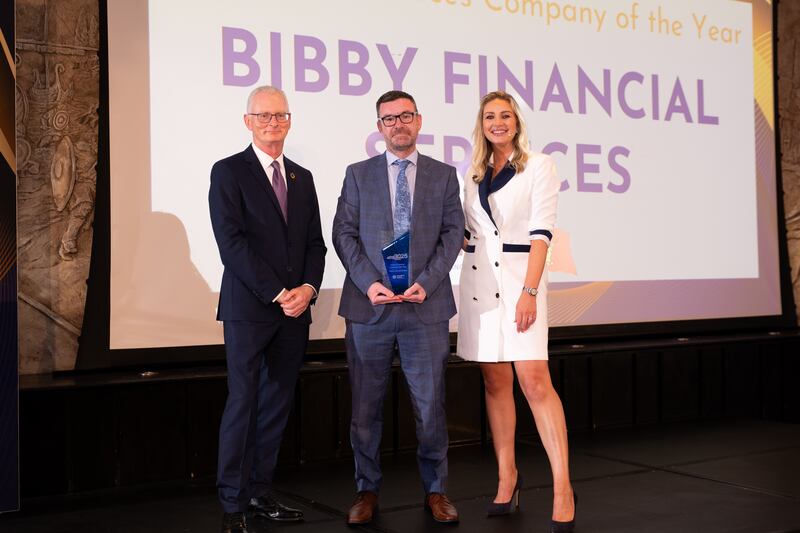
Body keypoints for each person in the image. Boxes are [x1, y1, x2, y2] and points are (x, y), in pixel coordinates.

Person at [332, 90, 465, 525]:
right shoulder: (357, 174)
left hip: (423, 311)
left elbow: (452, 234)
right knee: (365, 410)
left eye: (405, 116)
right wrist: (369, 282)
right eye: (389, 119)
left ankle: (437, 490)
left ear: (419, 120)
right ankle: (366, 491)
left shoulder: (444, 176)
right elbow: (344, 234)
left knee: (430, 408)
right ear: (379, 127)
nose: (398, 124)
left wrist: (427, 283)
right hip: (370, 309)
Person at [457, 91, 577, 532]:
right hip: (479, 287)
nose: (497, 122)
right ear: (481, 124)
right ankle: (508, 477)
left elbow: (543, 232)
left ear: (517, 121)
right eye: (490, 116)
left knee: (534, 380)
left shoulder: (539, 165)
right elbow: (469, 230)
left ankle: (563, 486)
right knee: (494, 379)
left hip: (521, 282)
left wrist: (530, 290)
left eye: (505, 115)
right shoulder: (471, 173)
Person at [209, 86, 326, 533]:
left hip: (296, 312)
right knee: (243, 402)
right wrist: (280, 292)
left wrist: (309, 289)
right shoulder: (228, 172)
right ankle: (233, 503)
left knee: (276, 406)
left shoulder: (302, 177)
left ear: (289, 120)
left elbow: (315, 243)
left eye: (280, 115)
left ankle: (260, 493)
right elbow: (231, 245)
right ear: (247, 121)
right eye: (263, 116)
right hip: (250, 309)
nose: (272, 122)